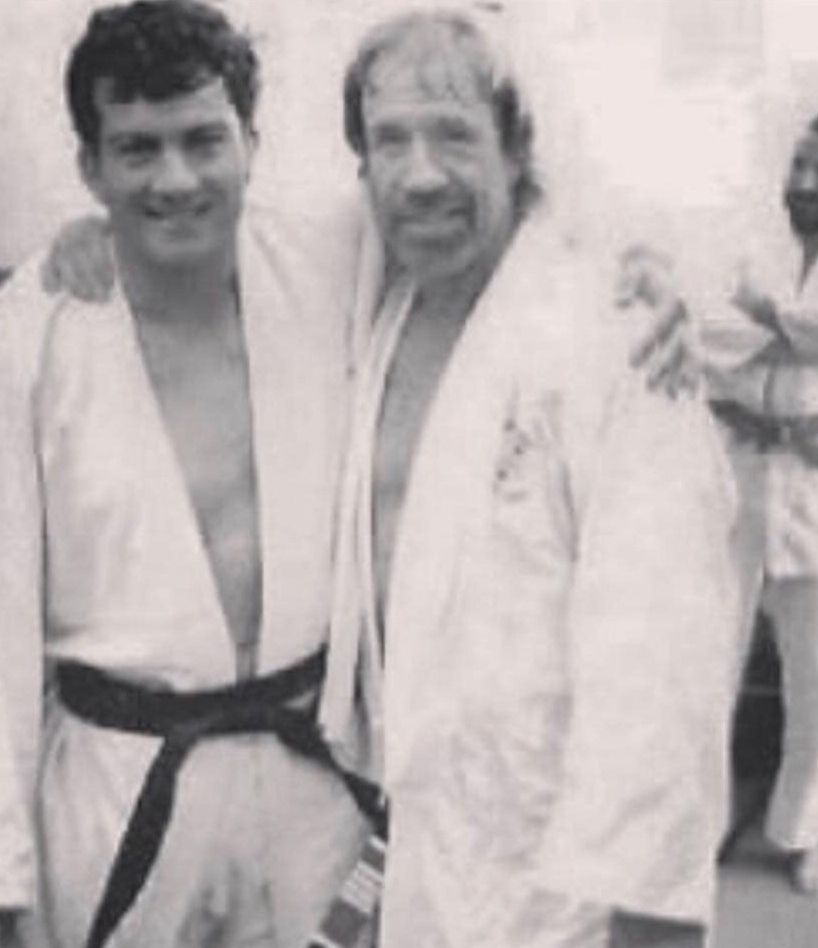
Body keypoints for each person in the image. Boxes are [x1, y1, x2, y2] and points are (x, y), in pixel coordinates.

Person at [0, 4, 372, 947]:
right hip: (119, 791)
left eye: (203, 140)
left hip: (310, 790)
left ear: (252, 142)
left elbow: (486, 229)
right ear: (91, 169)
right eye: (137, 149)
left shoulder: (331, 276)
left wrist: (643, 280)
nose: (176, 179)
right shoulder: (30, 354)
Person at [316, 12, 737, 948]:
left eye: (455, 135)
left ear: (520, 149)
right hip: (417, 838)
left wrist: (650, 918)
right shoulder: (378, 301)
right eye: (391, 140)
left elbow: (662, 667)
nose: (421, 174)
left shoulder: (618, 331)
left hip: (561, 881)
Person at [698, 111, 818, 895]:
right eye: (798, 164)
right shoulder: (746, 235)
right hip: (736, 473)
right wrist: (782, 331)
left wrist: (765, 315)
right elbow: (707, 333)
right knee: (703, 665)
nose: (802, 181)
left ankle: (802, 836)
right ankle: (688, 824)